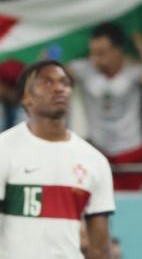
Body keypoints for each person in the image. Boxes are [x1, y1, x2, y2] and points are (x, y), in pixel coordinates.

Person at [0, 60, 115, 258]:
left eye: (65, 83)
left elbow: (100, 249)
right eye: (47, 82)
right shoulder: (4, 149)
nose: (59, 88)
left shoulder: (94, 161)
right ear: (27, 98)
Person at [68, 23, 142, 190]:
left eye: (101, 53)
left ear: (118, 50)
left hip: (133, 153)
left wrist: (141, 46)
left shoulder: (133, 70)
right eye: (92, 53)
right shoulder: (85, 69)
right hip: (100, 155)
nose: (95, 59)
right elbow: (52, 72)